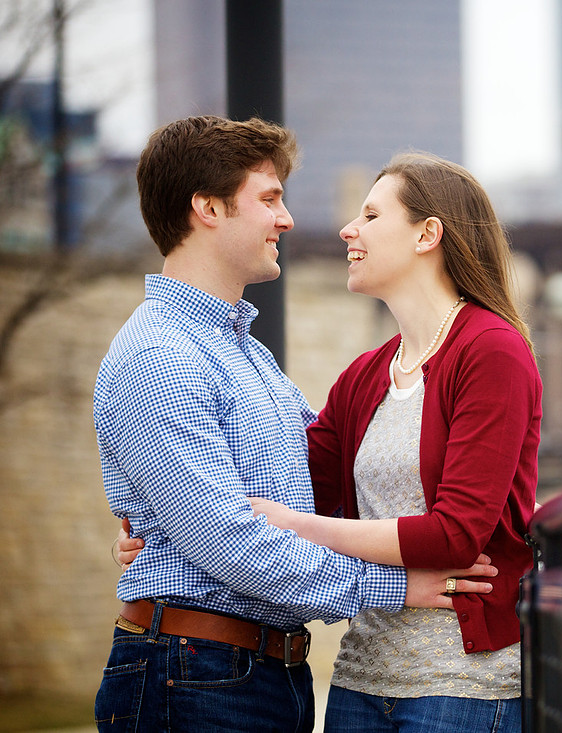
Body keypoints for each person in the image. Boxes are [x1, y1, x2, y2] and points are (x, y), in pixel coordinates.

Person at [94, 117, 495, 733]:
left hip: (248, 672)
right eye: (269, 198)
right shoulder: (162, 356)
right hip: (196, 674)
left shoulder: (243, 354)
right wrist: (397, 586)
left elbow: (331, 483)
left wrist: (503, 507)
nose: (286, 219)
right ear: (207, 207)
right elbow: (231, 542)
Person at [246, 152, 542, 732]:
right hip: (360, 684)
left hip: (462, 687)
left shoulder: (490, 351)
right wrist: (159, 531)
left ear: (427, 234)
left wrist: (307, 528)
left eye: (372, 215)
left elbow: (457, 534)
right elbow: (289, 485)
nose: (347, 230)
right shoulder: (365, 375)